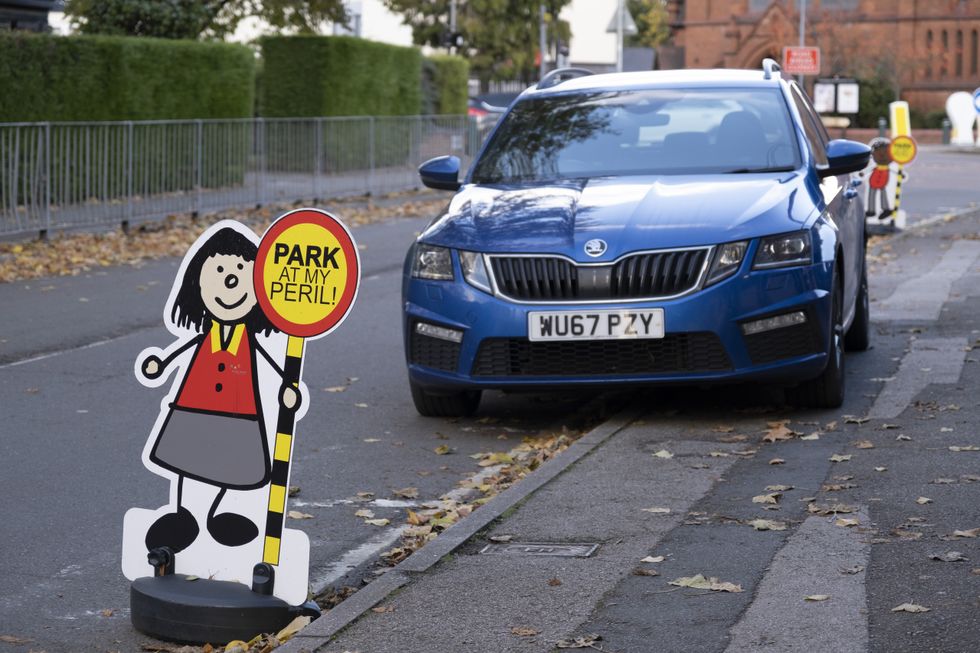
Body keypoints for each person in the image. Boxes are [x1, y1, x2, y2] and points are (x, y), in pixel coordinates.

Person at [136, 225, 299, 553]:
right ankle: (182, 515)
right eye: (221, 270)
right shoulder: (205, 334)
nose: (230, 279)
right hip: (194, 405)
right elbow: (185, 349)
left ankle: (216, 515)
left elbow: (268, 360)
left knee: (230, 462)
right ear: (198, 282)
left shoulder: (247, 340)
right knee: (186, 458)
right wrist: (162, 365)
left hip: (239, 412)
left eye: (240, 270)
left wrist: (287, 386)